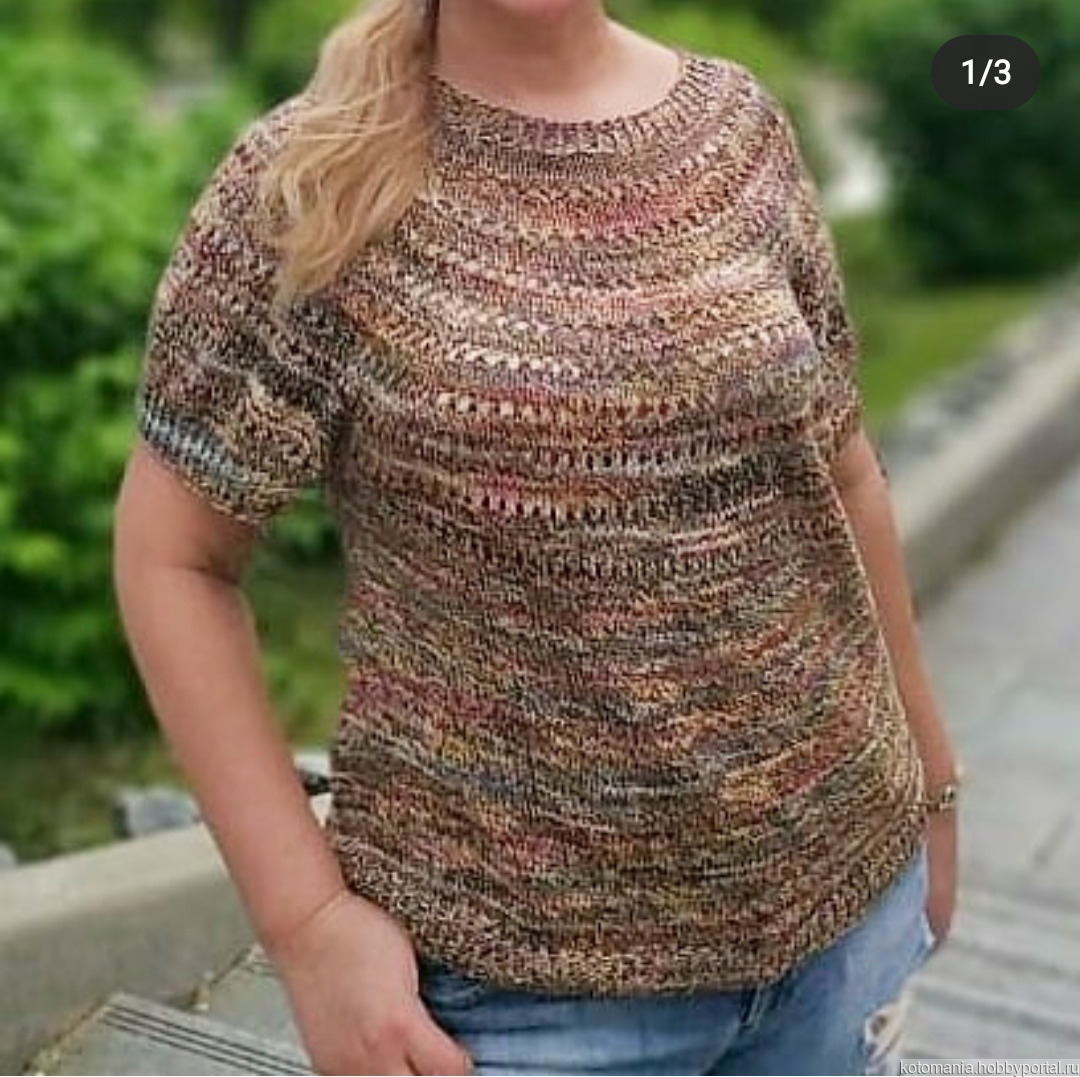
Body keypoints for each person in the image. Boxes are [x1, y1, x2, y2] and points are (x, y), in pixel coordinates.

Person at [112, 0, 961, 1073]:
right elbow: (173, 558)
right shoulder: (313, 179)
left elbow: (844, 470)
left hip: (844, 921)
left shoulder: (738, 129)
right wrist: (309, 927)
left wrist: (932, 785)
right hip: (523, 999)